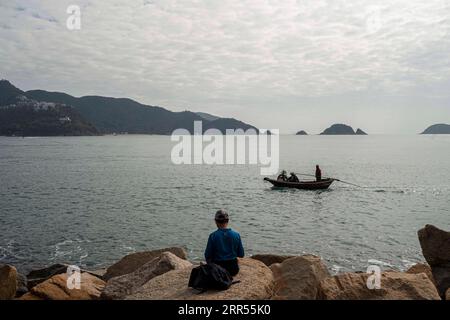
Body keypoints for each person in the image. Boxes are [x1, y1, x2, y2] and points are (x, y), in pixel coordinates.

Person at [204, 210, 244, 276]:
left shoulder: (213, 236)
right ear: (228, 221)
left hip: (218, 270)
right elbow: (241, 254)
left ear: (216, 221)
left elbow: (208, 255)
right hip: (233, 269)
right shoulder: (236, 235)